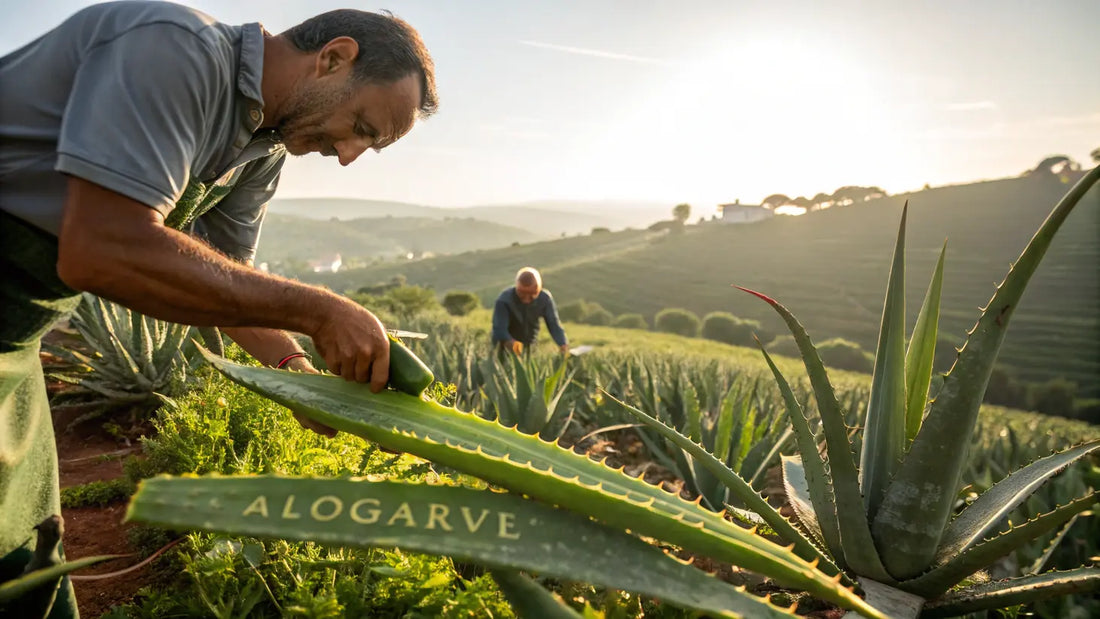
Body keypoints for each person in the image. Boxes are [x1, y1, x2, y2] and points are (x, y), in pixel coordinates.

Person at [0, 2, 437, 616]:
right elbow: (102, 246)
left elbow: (220, 283)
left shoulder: (264, 150)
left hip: (14, 339)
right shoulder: (175, 49)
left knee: (29, 555)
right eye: (362, 127)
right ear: (333, 58)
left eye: (369, 147)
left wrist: (297, 375)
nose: (347, 156)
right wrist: (319, 312)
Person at [491, 268, 569, 356]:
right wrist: (513, 344)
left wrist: (563, 344)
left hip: (530, 347)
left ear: (539, 289)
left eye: (532, 294)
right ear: (517, 287)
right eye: (522, 293)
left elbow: (553, 324)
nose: (526, 300)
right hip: (504, 349)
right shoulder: (504, 300)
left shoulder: (545, 299)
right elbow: (499, 329)